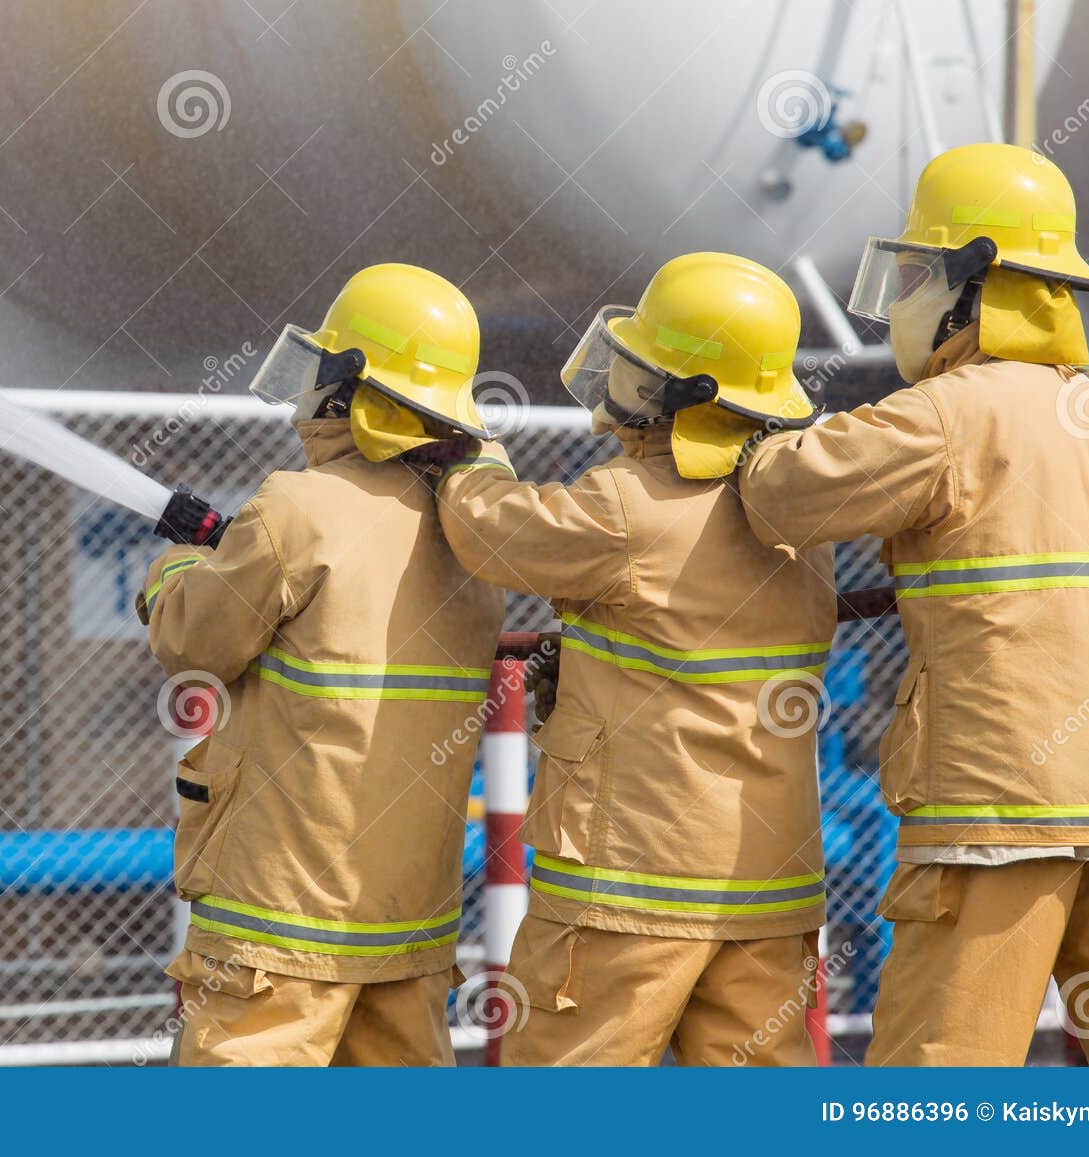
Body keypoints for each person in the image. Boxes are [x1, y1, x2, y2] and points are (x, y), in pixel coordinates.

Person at [737, 142, 1089, 1066]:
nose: (906, 296)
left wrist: (742, 434)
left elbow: (785, 496)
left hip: (991, 811)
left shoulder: (950, 412)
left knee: (940, 1081)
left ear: (976, 283)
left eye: (919, 272)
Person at [438, 251, 836, 1065]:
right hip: (767, 888)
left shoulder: (628, 505)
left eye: (640, 373)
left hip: (627, 888)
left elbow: (492, 534)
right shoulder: (804, 527)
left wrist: (468, 460)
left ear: (677, 396)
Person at [139, 263, 506, 1066]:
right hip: (408, 923)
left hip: (278, 920)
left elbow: (194, 643)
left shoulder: (296, 506)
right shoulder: (472, 532)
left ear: (349, 387)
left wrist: (171, 573)